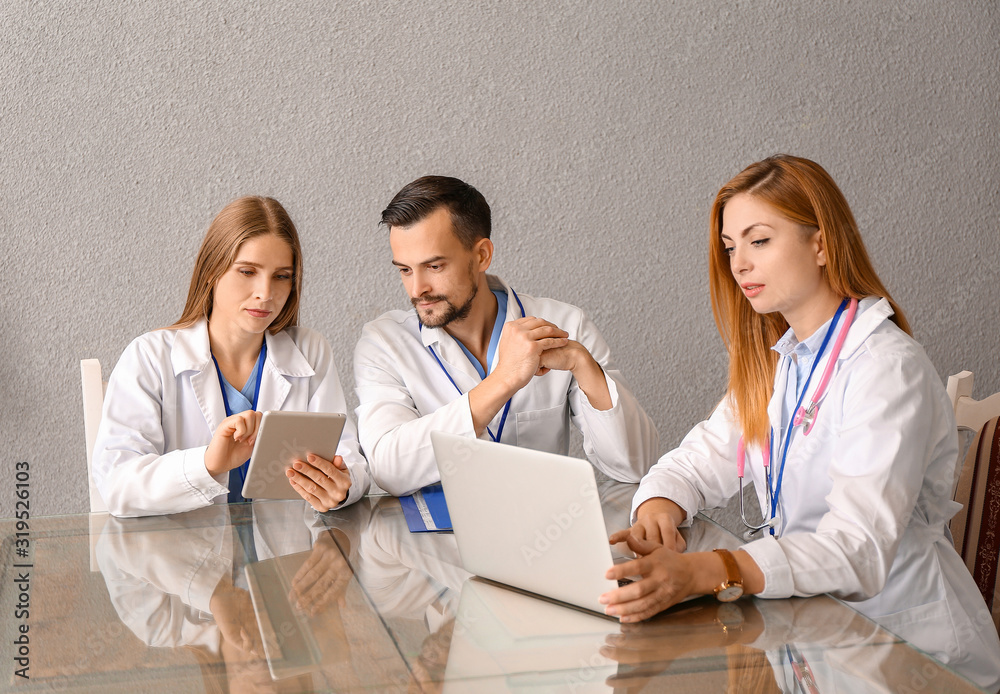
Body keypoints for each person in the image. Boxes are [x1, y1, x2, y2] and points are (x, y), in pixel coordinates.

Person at [600, 155, 1000, 691]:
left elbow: (857, 548)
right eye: (730, 247)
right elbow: (698, 461)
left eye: (758, 240)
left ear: (821, 244)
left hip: (908, 654)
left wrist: (708, 569)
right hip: (811, 634)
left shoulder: (886, 367)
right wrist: (658, 508)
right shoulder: (782, 360)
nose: (739, 263)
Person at [354, 175, 658, 496]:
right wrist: (504, 380)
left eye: (435, 266)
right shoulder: (383, 343)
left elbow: (636, 466)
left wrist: (584, 364)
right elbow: (389, 469)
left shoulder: (565, 325)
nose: (417, 289)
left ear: (482, 255)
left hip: (545, 532)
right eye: (404, 270)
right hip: (432, 541)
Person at [93, 196, 370, 517]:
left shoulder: (310, 350)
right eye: (248, 271)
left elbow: (348, 457)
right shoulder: (149, 357)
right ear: (212, 270)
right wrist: (208, 463)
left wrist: (342, 487)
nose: (265, 293)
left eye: (281, 276)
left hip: (288, 560)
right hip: (181, 560)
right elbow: (117, 486)